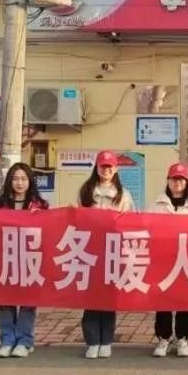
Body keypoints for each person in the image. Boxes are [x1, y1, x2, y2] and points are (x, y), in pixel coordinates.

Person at [77, 150, 136, 359]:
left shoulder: (124, 195)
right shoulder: (85, 191)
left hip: (113, 251)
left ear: (116, 169)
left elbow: (131, 222)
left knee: (109, 298)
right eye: (103, 166)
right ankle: (92, 341)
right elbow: (78, 219)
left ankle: (106, 341)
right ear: (97, 167)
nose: (106, 170)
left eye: (110, 166)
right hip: (90, 249)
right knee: (91, 297)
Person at [0, 162, 49, 359]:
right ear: (10, 181)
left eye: (24, 179)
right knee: (6, 301)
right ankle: (7, 340)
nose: (19, 183)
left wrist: (39, 217)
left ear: (30, 181)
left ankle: (24, 341)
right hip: (7, 257)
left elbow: (49, 230)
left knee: (28, 301)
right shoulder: (1, 203)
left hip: (29, 258)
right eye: (15, 178)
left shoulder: (40, 205)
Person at [152, 162, 188, 358]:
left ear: (187, 181)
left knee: (184, 300)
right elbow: (147, 226)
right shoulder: (158, 204)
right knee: (163, 300)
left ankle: (182, 338)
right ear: (168, 180)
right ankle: (164, 338)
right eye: (174, 179)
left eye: (181, 179)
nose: (177, 182)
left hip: (186, 258)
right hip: (164, 258)